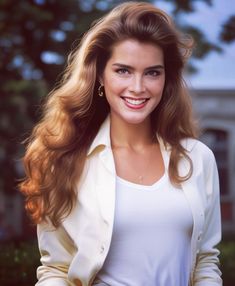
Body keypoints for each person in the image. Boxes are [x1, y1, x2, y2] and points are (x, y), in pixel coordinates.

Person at [20, 2, 222, 286]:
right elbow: (55, 270)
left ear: (166, 79)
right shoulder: (65, 162)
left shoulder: (198, 159)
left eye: (152, 72)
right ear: (101, 75)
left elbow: (205, 262)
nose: (138, 87)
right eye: (123, 71)